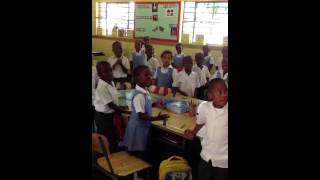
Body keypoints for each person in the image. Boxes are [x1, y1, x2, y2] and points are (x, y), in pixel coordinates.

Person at [184, 78, 228, 180]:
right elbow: (201, 121)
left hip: (223, 160)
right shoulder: (205, 107)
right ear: (210, 95)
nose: (224, 95)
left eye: (226, 91)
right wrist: (193, 132)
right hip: (206, 155)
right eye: (220, 92)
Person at [123, 65, 169, 159]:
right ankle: (137, 170)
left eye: (150, 75)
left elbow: (144, 105)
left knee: (140, 148)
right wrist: (158, 118)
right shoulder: (139, 95)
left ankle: (139, 169)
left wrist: (154, 105)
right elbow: (141, 116)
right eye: (146, 75)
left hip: (142, 127)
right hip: (137, 128)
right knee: (137, 151)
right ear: (137, 78)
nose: (149, 77)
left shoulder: (145, 91)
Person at [94, 61, 130, 153]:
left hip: (111, 114)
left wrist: (122, 106)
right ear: (99, 74)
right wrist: (126, 112)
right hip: (103, 117)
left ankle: (113, 151)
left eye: (110, 70)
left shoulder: (111, 82)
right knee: (105, 137)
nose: (110, 73)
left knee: (113, 135)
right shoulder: (101, 87)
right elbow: (111, 105)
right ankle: (104, 156)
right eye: (106, 71)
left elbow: (115, 97)